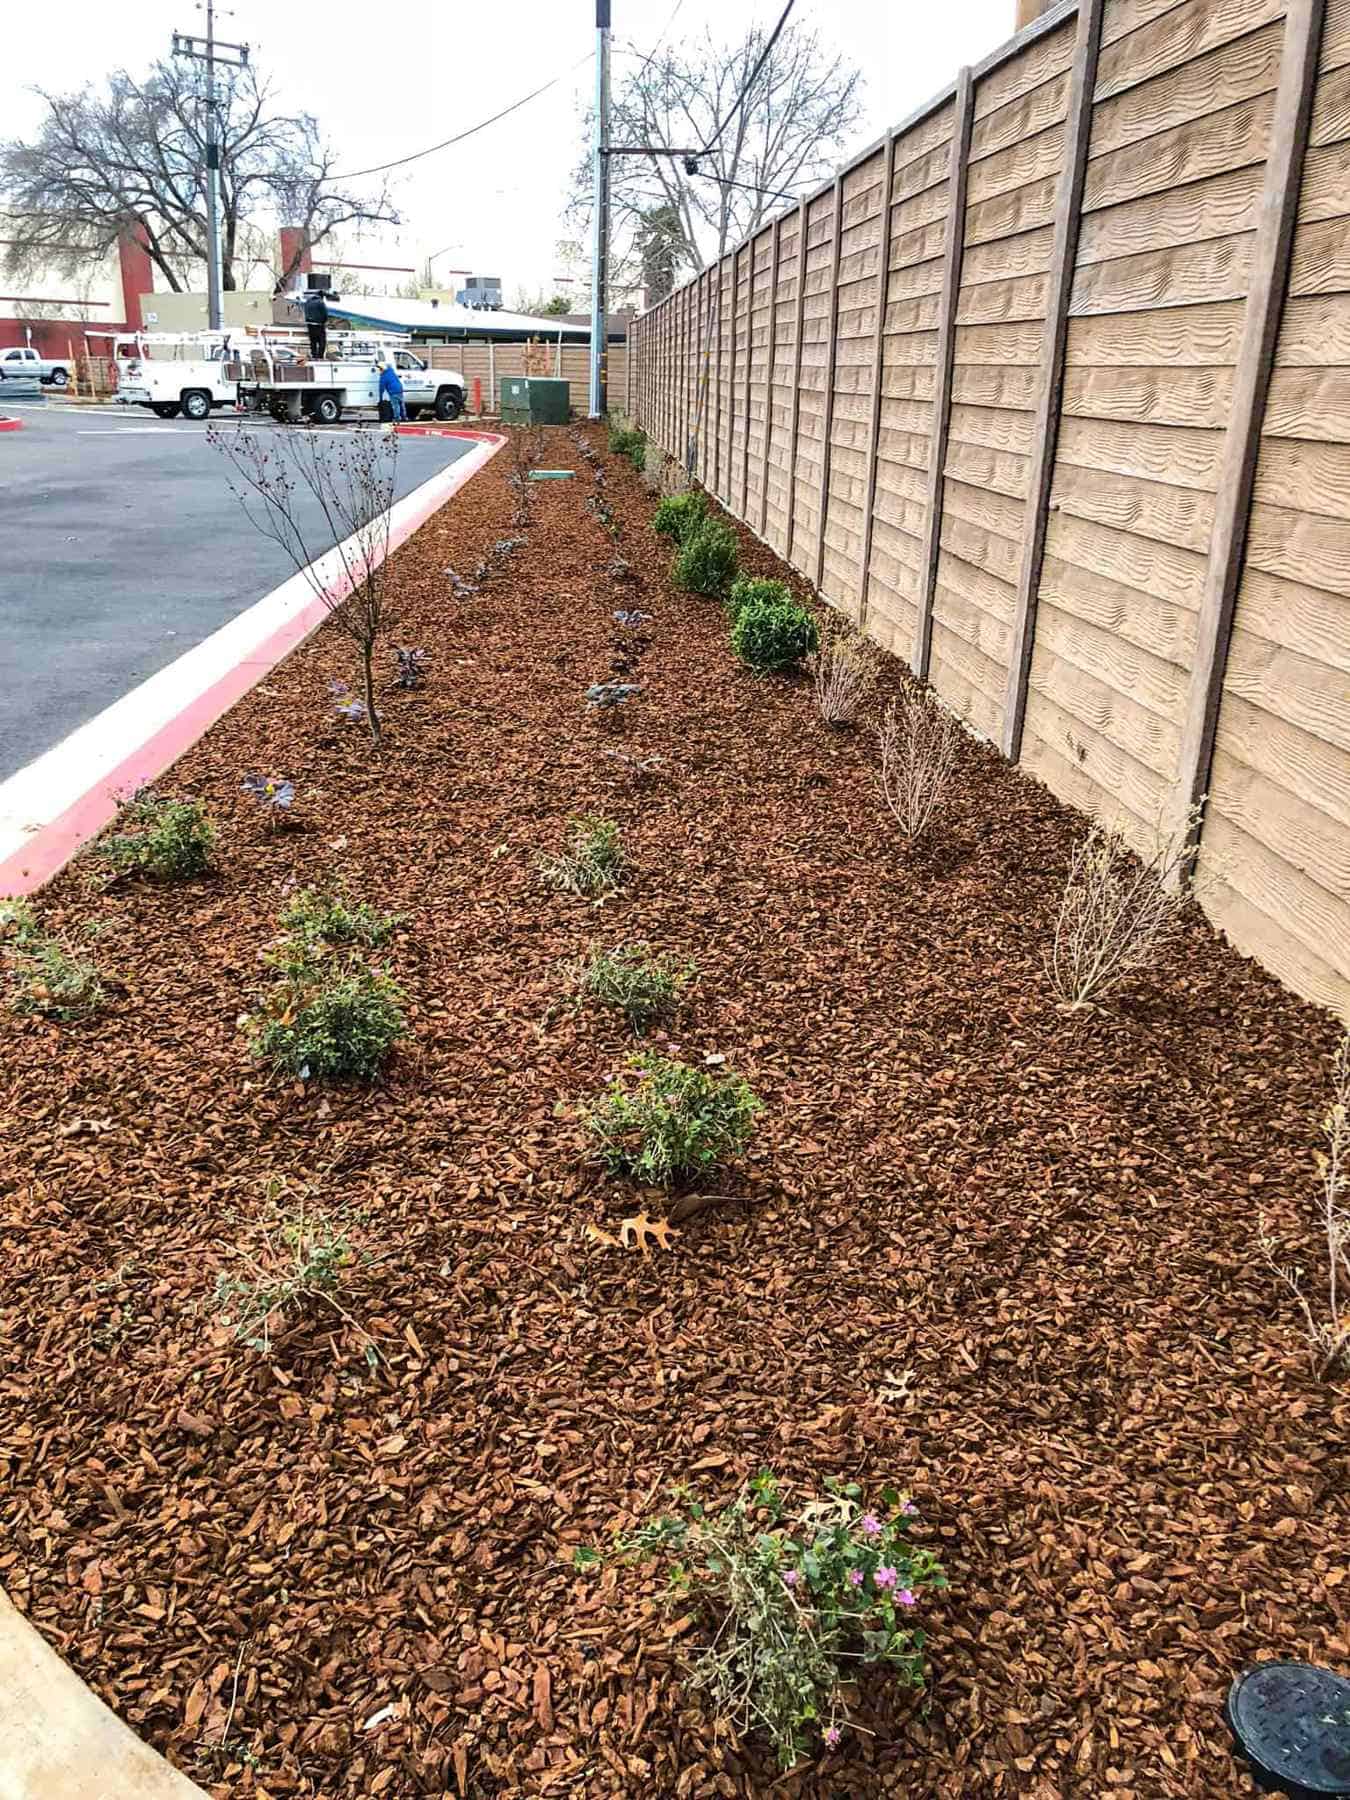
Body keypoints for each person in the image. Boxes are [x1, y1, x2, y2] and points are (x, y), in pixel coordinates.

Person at [378, 353, 406, 422]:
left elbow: (381, 388)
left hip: (393, 391)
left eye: (380, 369)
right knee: (401, 404)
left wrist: (380, 398)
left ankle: (397, 418)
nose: (379, 370)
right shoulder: (391, 371)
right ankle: (404, 417)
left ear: (382, 369)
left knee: (395, 405)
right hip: (400, 388)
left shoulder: (383, 377)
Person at [303, 289, 329, 360]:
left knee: (313, 341)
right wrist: (324, 322)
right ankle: (320, 356)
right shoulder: (320, 302)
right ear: (322, 296)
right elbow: (325, 314)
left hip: (310, 325)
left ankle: (314, 355)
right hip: (319, 325)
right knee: (322, 342)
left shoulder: (307, 301)